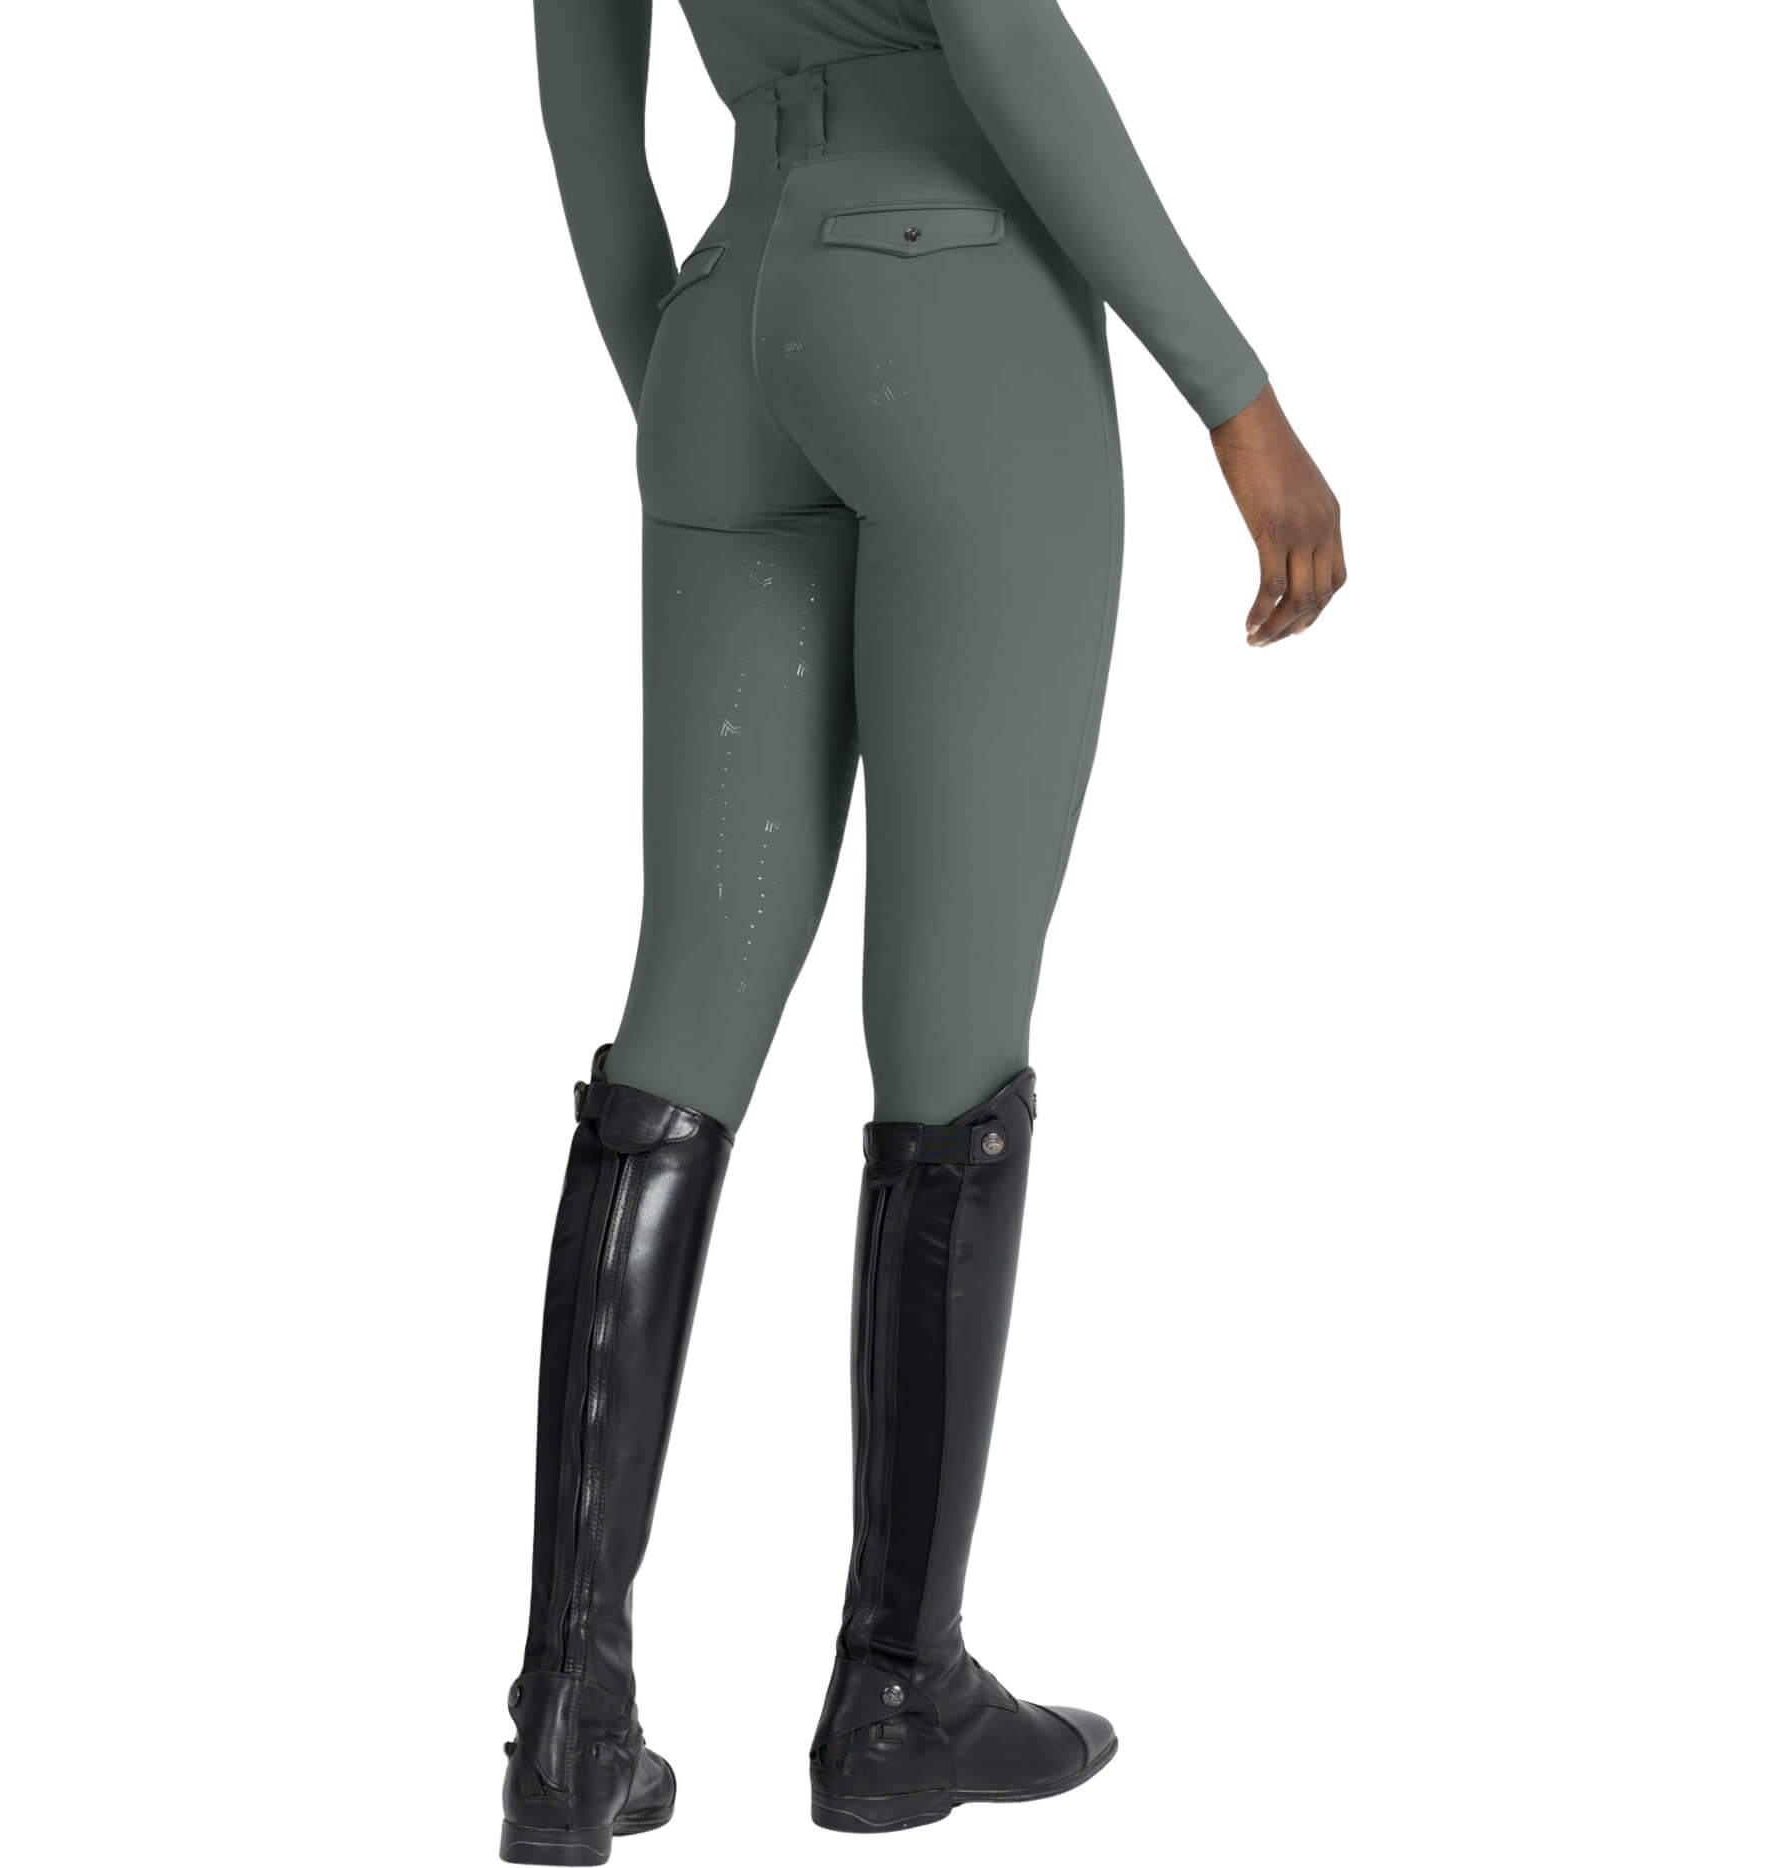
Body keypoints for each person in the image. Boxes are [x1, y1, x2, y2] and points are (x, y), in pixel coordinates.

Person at [499, 2, 1345, 1859]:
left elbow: (583, 113)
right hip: (957, 318)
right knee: (948, 1025)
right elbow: (1005, 41)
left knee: (683, 1009)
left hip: (728, 326)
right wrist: (1237, 397)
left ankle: (568, 1714)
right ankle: (897, 1690)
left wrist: (687, 385)